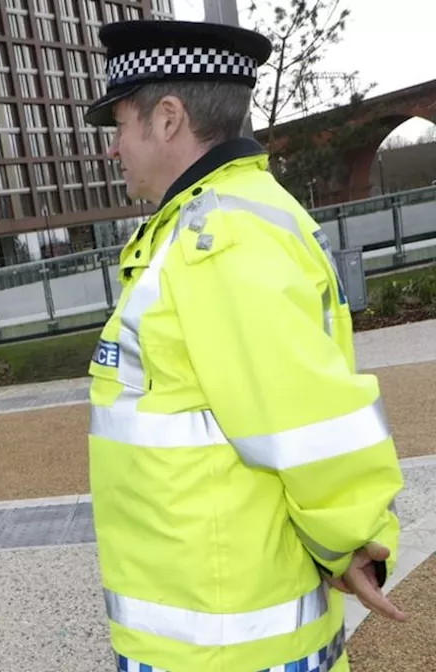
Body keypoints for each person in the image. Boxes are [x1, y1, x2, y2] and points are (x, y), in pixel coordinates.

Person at [83, 20, 407, 672]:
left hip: (224, 647)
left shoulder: (217, 238)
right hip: (222, 629)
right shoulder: (230, 219)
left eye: (119, 125)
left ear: (168, 118)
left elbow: (303, 414)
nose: (113, 149)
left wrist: (356, 542)